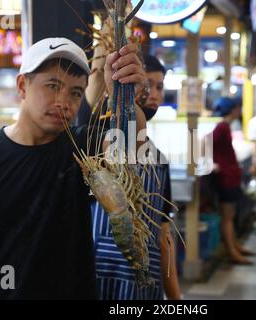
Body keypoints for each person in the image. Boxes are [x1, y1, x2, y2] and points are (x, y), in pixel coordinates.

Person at [0, 37, 146, 299]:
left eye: (76, 92)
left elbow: (132, 145)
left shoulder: (83, 146)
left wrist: (123, 96)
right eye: (53, 86)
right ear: (22, 85)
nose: (63, 101)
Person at [87, 54, 181, 300]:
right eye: (147, 85)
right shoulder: (99, 140)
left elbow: (164, 235)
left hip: (145, 283)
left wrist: (175, 298)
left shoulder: (159, 159)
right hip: (98, 277)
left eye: (160, 87)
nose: (155, 94)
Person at [212, 97, 255, 265]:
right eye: (238, 108)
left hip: (230, 177)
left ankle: (235, 246)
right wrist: (214, 163)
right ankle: (232, 251)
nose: (240, 111)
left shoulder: (225, 126)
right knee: (228, 216)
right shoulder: (222, 126)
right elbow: (206, 142)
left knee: (231, 214)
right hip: (226, 178)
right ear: (233, 109)